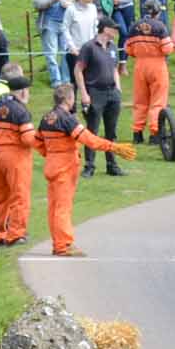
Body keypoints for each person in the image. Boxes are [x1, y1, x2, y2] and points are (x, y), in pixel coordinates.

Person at [31, 84, 131, 255]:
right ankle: (63, 246)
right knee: (63, 207)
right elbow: (88, 139)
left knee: (54, 207)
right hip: (64, 166)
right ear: (68, 99)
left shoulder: (46, 117)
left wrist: (50, 154)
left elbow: (37, 141)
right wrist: (112, 146)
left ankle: (58, 243)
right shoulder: (67, 119)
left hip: (52, 165)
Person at [0, 67, 38, 247]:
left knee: (1, 197)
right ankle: (15, 233)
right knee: (20, 196)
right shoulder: (21, 111)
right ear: (22, 91)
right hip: (16, 158)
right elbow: (28, 138)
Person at [75, 22, 125, 178]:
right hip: (95, 92)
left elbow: (114, 69)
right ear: (106, 29)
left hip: (112, 93)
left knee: (112, 131)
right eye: (114, 28)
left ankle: (112, 164)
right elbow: (78, 70)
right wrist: (84, 93)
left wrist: (118, 88)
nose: (116, 31)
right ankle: (89, 166)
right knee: (92, 131)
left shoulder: (112, 47)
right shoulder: (89, 47)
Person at [125, 13, 175, 148]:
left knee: (140, 101)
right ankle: (155, 134)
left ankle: (137, 133)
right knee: (158, 101)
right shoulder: (160, 26)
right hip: (157, 65)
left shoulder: (134, 26)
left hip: (140, 66)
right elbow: (167, 48)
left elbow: (128, 49)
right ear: (158, 12)